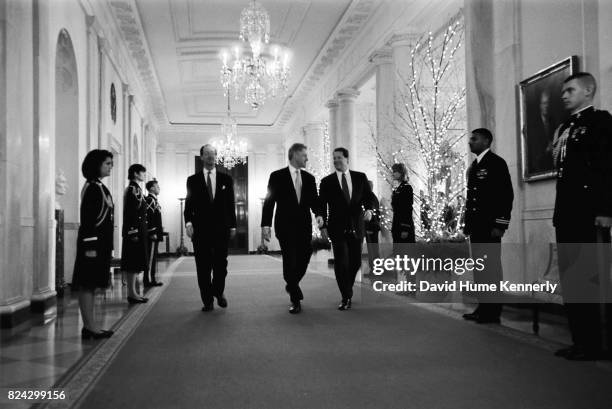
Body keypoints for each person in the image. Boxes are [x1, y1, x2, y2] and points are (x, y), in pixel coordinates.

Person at [551, 72, 612, 361]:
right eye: (563, 91)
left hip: (590, 213)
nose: (564, 95)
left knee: (592, 279)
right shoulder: (565, 126)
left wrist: (605, 210)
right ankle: (581, 341)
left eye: (570, 90)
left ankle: (599, 343)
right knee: (573, 278)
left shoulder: (600, 123)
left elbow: (607, 168)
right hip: (567, 213)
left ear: (588, 92)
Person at [261, 143, 322, 314]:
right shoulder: (277, 176)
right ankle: (295, 299)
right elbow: (269, 201)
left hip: (303, 226)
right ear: (294, 154)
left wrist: (318, 214)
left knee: (306, 254)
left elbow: (314, 200)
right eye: (304, 155)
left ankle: (291, 284)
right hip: (284, 225)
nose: (306, 158)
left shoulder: (309, 178)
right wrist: (265, 225)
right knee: (289, 259)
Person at [462, 128, 513, 324]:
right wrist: (468, 225)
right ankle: (483, 307)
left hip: (490, 227)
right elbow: (471, 199)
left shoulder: (496, 163)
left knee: (491, 269)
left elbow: (506, 195)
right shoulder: (475, 165)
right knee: (480, 269)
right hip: (477, 227)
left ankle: (493, 311)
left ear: (486, 141)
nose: (470, 142)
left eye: (474, 139)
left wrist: (500, 224)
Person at [319, 147, 374, 310]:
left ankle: (347, 288)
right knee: (341, 261)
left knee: (355, 261)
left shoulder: (360, 177)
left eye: (339, 158)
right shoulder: (327, 182)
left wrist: (369, 209)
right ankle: (346, 296)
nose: (336, 160)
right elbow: (322, 204)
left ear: (346, 159)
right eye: (334, 158)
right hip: (336, 227)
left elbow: (368, 197)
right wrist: (321, 221)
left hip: (357, 226)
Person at [184, 144, 237, 312]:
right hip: (200, 231)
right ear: (201, 157)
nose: (210, 157)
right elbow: (189, 205)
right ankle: (207, 300)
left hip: (222, 230)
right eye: (207, 154)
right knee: (203, 267)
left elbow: (231, 205)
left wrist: (233, 225)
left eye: (213, 154)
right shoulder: (192, 180)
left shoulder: (226, 179)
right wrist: (188, 223)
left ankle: (218, 292)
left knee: (221, 265)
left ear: (216, 156)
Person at [72, 149, 115, 339]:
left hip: (100, 245)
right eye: (107, 163)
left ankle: (91, 325)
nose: (110, 166)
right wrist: (90, 247)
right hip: (93, 246)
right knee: (87, 284)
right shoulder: (92, 187)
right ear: (96, 165)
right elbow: (89, 220)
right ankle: (89, 327)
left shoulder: (98, 186)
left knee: (91, 284)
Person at [144, 179, 163, 288]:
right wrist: (152, 231)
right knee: (150, 258)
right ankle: (149, 280)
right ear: (151, 188)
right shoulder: (150, 200)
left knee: (153, 257)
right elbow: (149, 217)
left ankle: (152, 278)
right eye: (157, 186)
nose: (158, 188)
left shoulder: (154, 200)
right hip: (152, 233)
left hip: (155, 232)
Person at [391, 163, 415, 243]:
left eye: (395, 171)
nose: (393, 173)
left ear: (401, 173)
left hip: (403, 226)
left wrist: (405, 228)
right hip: (397, 224)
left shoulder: (407, 188)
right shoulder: (399, 187)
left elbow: (407, 208)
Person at [364, 180, 380, 274]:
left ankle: (374, 269)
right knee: (374, 248)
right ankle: (374, 268)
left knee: (372, 249)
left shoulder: (370, 198)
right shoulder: (373, 197)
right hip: (373, 227)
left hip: (371, 227)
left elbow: (372, 213)